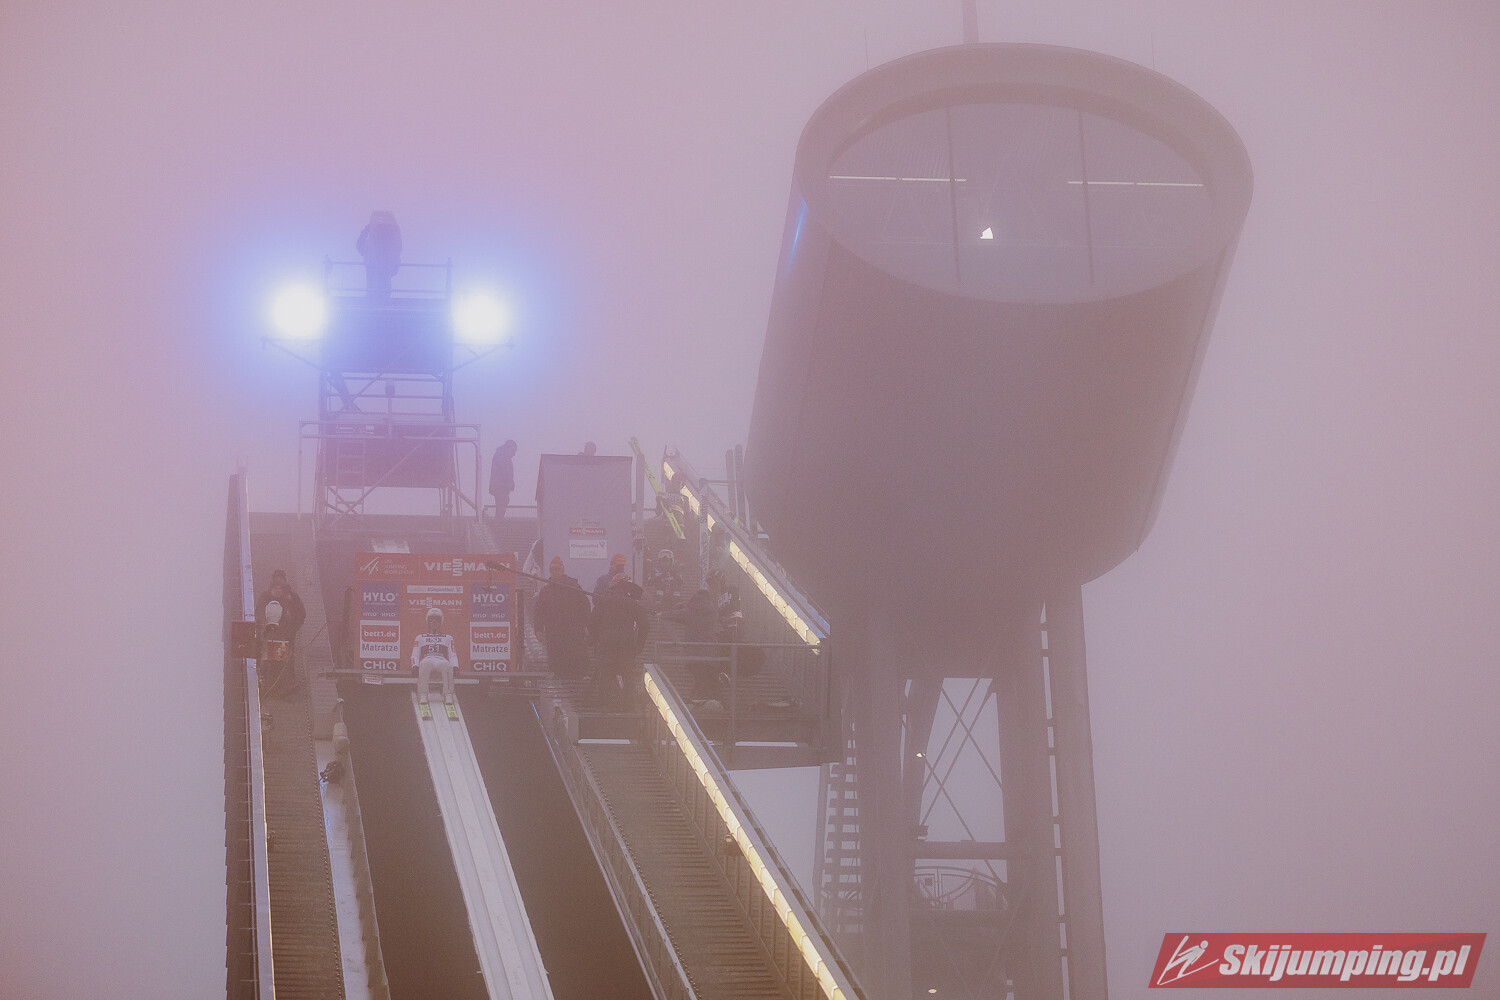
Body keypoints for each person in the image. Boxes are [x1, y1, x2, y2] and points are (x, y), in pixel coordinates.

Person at [589, 574, 649, 709]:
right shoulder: (633, 604)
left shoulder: (604, 602)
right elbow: (645, 624)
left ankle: (605, 705)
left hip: (607, 645)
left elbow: (591, 623)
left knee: (605, 674)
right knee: (628, 675)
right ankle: (628, 706)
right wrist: (639, 645)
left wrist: (598, 639)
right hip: (627, 645)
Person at [533, 557, 592, 680]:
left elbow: (585, 607)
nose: (555, 572)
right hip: (554, 632)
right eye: (552, 570)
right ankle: (561, 677)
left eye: (557, 569)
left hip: (573, 630)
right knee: (557, 659)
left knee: (576, 654)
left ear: (563, 570)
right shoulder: (546, 591)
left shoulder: (573, 587)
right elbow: (539, 612)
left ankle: (581, 675)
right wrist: (538, 629)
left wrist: (587, 626)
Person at [660, 588, 720, 700]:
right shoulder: (713, 612)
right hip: (711, 654)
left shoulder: (690, 612)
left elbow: (670, 615)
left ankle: (699, 701)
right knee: (707, 681)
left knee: (701, 680)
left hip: (693, 653)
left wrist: (662, 613)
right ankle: (714, 701)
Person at [413, 607, 459, 707]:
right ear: (427, 621)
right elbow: (415, 654)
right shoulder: (420, 637)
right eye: (431, 619)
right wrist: (415, 666)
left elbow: (452, 655)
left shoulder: (448, 638)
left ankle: (448, 694)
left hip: (441, 660)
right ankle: (423, 694)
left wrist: (455, 666)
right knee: (425, 664)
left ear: (441, 621)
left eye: (437, 619)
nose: (434, 622)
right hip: (427, 659)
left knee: (446, 665)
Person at [356, 210, 402, 297]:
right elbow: (395, 268)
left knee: (374, 293)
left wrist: (365, 231)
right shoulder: (389, 249)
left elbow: (359, 246)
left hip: (372, 287)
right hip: (383, 288)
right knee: (383, 293)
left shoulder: (370, 247)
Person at [489, 439, 517, 519]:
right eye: (513, 451)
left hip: (501, 486)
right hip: (500, 487)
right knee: (502, 502)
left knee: (503, 502)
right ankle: (499, 521)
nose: (514, 454)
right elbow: (504, 472)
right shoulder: (501, 455)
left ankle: (499, 520)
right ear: (509, 447)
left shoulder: (502, 455)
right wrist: (509, 483)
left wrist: (510, 482)